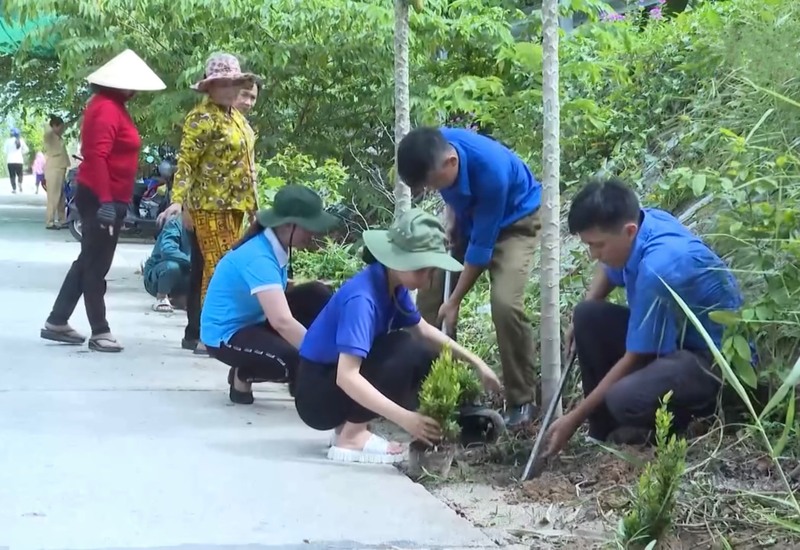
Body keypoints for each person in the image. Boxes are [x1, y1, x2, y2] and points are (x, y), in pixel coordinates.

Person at [544, 178, 746, 455]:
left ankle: (681, 424)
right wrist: (588, 306)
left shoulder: (658, 268)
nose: (594, 255)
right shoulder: (645, 221)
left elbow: (635, 356)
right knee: (587, 315)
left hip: (713, 360)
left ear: (629, 231)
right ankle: (602, 431)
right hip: (676, 339)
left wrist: (572, 419)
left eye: (598, 245)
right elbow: (607, 269)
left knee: (623, 397)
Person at [293, 208, 503, 464]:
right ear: (397, 259)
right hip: (316, 395)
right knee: (404, 349)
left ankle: (351, 427)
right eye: (422, 270)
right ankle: (352, 437)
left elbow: (424, 330)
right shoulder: (363, 299)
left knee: (422, 351)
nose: (427, 281)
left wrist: (477, 364)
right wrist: (405, 418)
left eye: (431, 271)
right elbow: (346, 376)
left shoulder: (391, 284)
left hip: (327, 385)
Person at [396, 126, 542, 428]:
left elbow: (480, 251)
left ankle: (521, 401)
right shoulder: (435, 146)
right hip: (469, 217)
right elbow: (451, 193)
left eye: (435, 184)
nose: (434, 190)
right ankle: (432, 388)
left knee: (505, 304)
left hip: (515, 221)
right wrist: (451, 217)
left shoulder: (492, 172)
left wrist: (455, 301)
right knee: (428, 293)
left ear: (451, 162)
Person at [39, 49, 166, 352]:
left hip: (107, 196)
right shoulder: (106, 108)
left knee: (87, 260)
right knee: (97, 265)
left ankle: (57, 320)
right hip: (100, 197)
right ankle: (100, 330)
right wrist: (107, 201)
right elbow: (96, 157)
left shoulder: (114, 106)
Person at [157, 52, 259, 356]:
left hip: (236, 206)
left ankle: (204, 332)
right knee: (217, 269)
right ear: (210, 87)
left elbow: (248, 166)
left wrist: (255, 206)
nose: (231, 90)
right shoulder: (201, 117)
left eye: (234, 83)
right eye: (224, 84)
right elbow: (187, 162)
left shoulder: (237, 118)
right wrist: (178, 201)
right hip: (209, 206)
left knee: (220, 268)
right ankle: (207, 335)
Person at [201, 185, 339, 404]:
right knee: (292, 361)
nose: (314, 234)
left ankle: (277, 366)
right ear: (288, 225)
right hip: (226, 335)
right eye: (309, 227)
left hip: (255, 320)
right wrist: (326, 356)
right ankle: (244, 373)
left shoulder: (274, 245)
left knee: (317, 294)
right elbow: (282, 321)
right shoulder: (259, 258)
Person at [143, 214, 191, 313]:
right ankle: (162, 296)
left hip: (188, 273)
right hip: (160, 273)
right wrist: (191, 261)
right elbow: (167, 249)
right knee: (172, 267)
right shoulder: (175, 223)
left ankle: (182, 299)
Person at [43, 115, 70, 229]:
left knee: (61, 196)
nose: (62, 130)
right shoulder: (49, 136)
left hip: (61, 168)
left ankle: (62, 219)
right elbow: (47, 129)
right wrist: (51, 121)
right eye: (60, 127)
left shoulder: (59, 137)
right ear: (54, 126)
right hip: (53, 169)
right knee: (53, 196)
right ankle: (50, 221)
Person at [4, 128, 28, 193]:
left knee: (12, 175)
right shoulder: (21, 141)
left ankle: (14, 189)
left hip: (10, 161)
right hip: (19, 160)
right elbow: (26, 150)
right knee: (20, 174)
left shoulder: (7, 141)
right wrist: (21, 153)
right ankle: (20, 183)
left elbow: (5, 151)